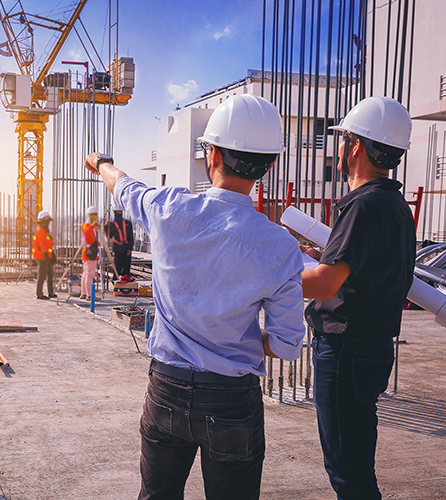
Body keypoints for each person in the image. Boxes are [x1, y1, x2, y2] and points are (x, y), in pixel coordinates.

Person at [85, 94, 305, 500]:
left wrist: (100, 163)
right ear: (269, 165)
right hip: (232, 401)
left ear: (212, 154)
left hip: (166, 387)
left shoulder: (169, 210)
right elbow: (289, 346)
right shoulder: (280, 247)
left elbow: (123, 186)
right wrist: (230, 338)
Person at [299, 96, 415, 500]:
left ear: (356, 146)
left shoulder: (363, 206)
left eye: (345, 139)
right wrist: (320, 259)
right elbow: (363, 272)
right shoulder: (394, 205)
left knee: (347, 471)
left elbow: (323, 285)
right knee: (355, 462)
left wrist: (270, 274)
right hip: (372, 346)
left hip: (347, 348)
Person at [104, 204, 134, 282]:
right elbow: (109, 236)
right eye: (118, 211)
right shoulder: (112, 225)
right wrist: (107, 227)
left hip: (126, 247)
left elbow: (131, 237)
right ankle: (115, 280)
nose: (119, 213)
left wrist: (130, 248)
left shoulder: (128, 223)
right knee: (118, 266)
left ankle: (126, 279)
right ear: (115, 212)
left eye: (120, 211)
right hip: (118, 248)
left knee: (127, 266)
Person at [32, 210, 57, 300]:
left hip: (46, 255)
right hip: (41, 256)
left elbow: (48, 245)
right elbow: (42, 246)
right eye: (45, 221)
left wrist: (52, 255)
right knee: (42, 274)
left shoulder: (46, 231)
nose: (47, 223)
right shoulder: (41, 231)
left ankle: (51, 292)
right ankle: (39, 293)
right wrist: (47, 258)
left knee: (50, 274)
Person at [80, 206, 99, 300]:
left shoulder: (91, 226)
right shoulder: (87, 226)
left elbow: (94, 239)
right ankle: (89, 295)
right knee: (89, 275)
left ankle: (84, 293)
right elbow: (87, 232)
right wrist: (92, 226)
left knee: (86, 274)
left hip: (89, 252)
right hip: (89, 253)